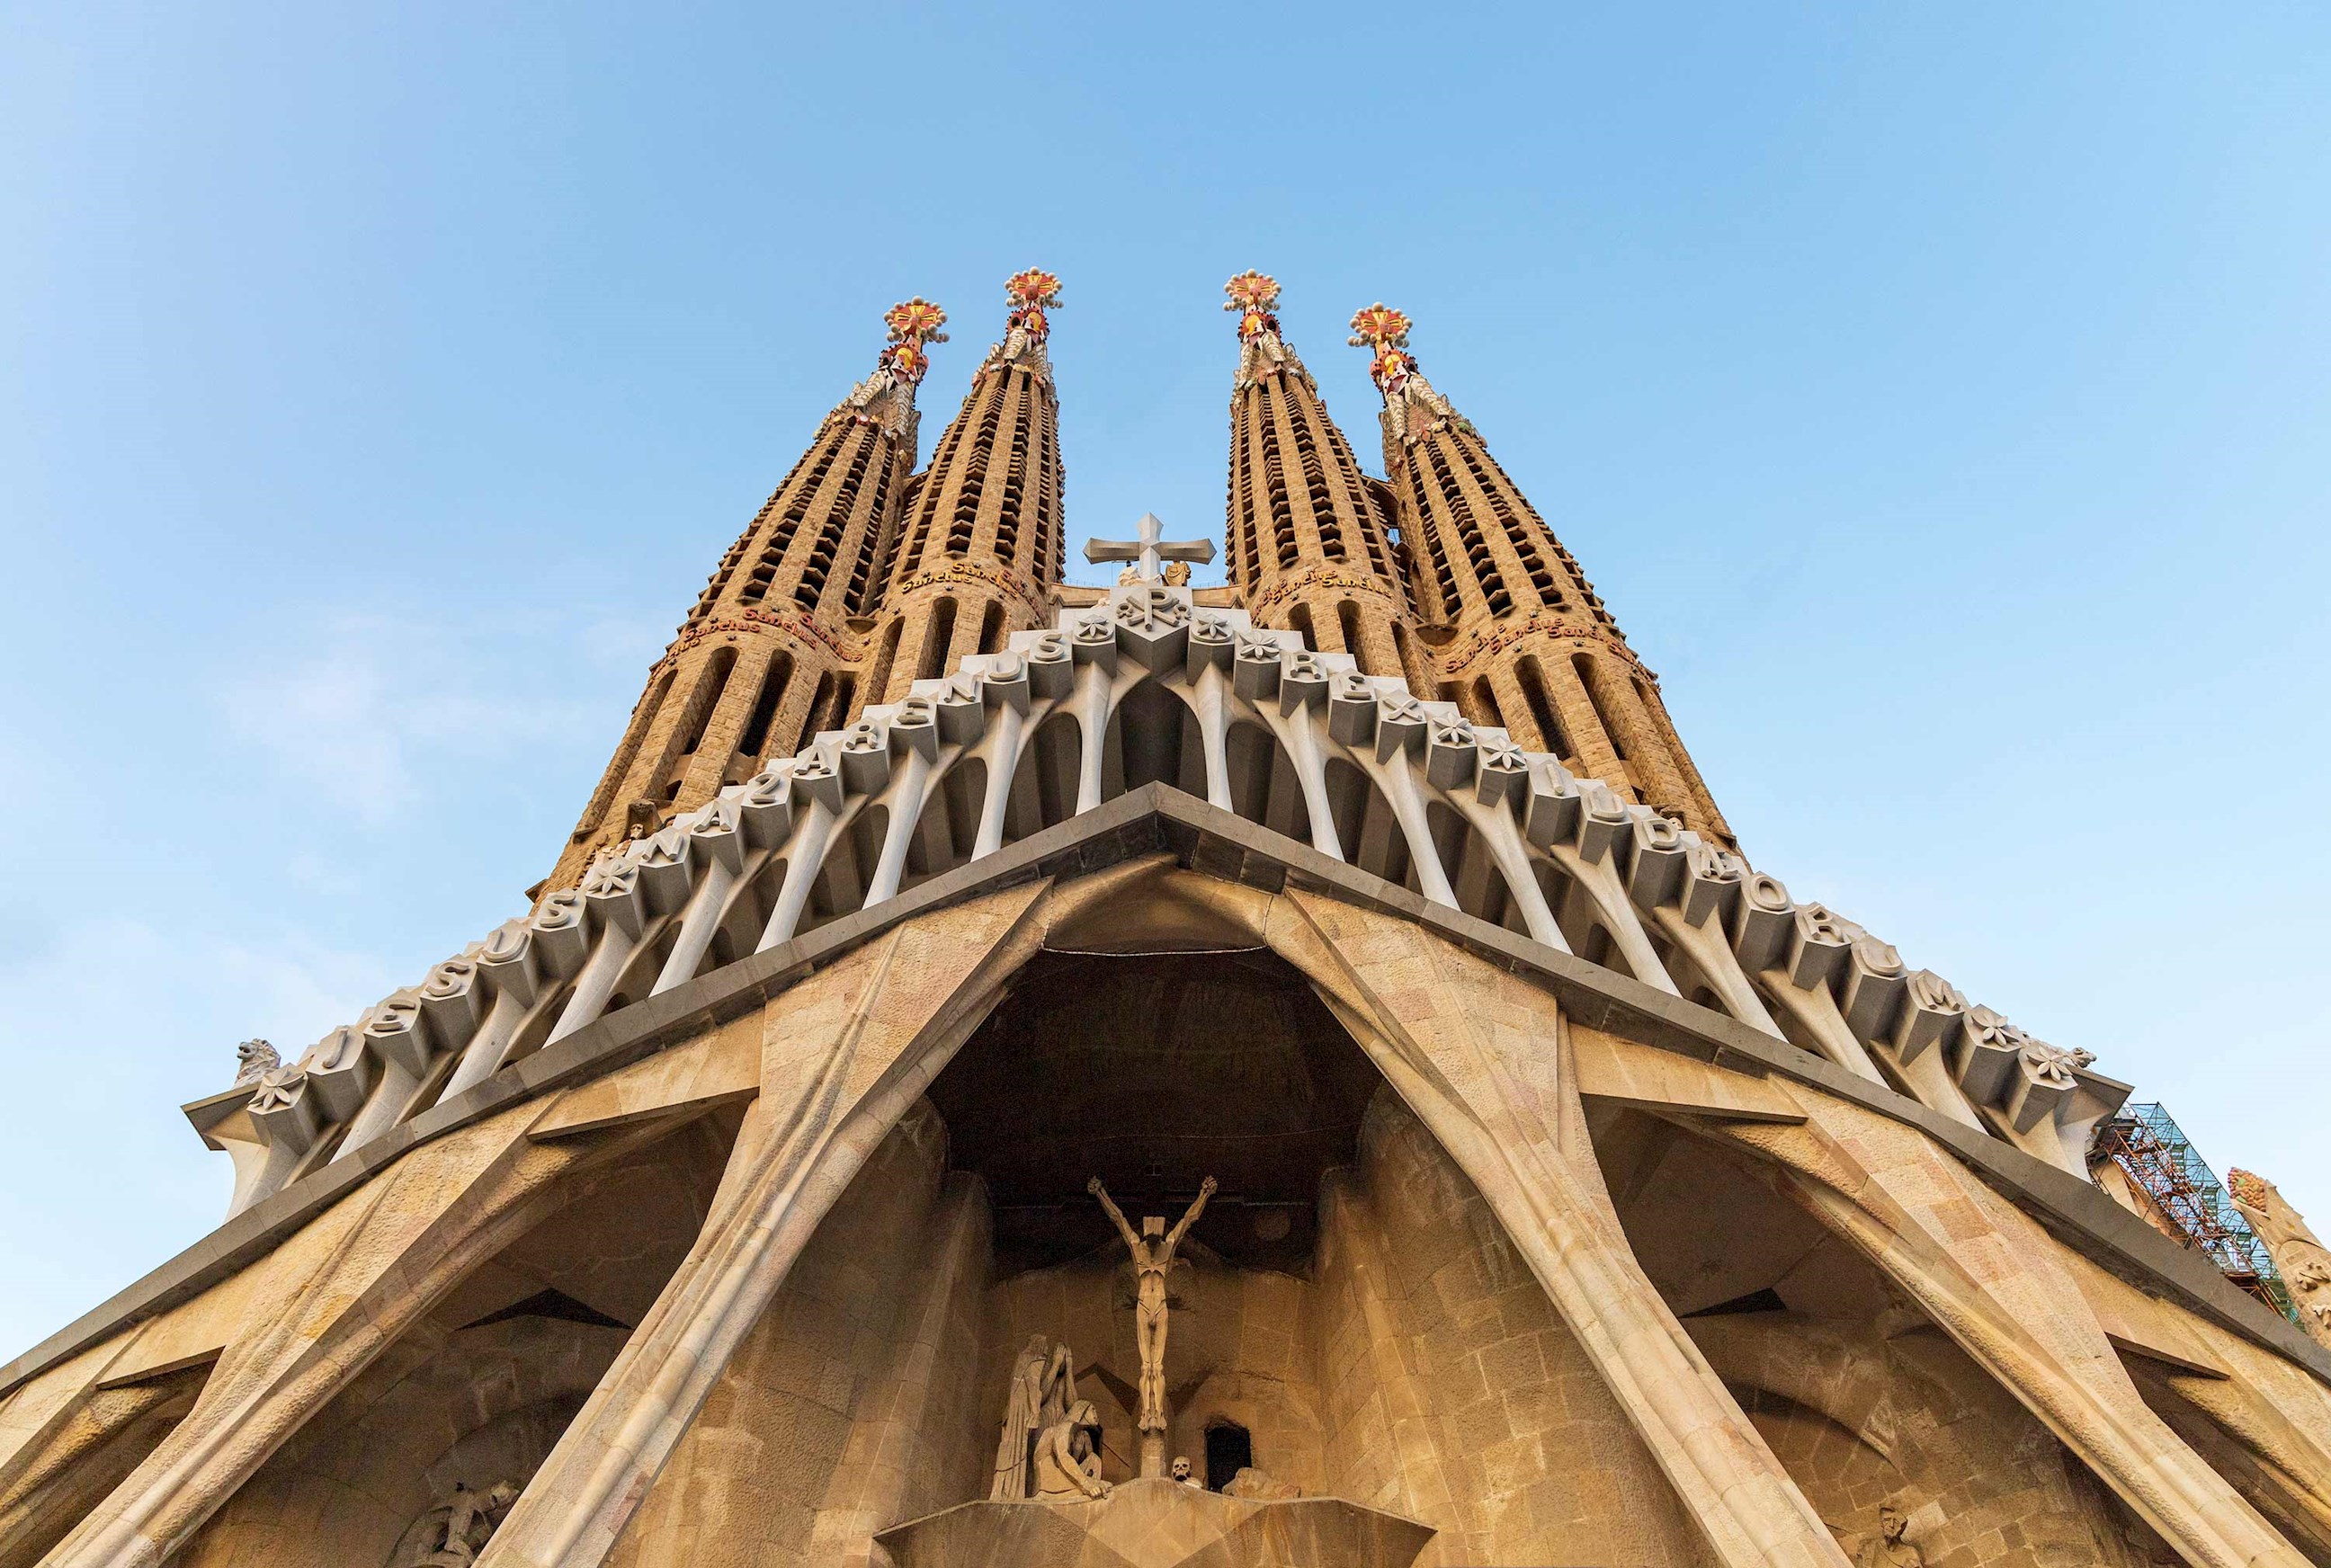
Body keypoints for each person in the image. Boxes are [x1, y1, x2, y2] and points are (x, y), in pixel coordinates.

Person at [1088, 1176, 1217, 1434]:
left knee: (1156, 1366)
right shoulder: (1137, 1247)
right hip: (1144, 1305)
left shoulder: (1168, 1246)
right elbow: (1118, 1219)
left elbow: (1188, 1220)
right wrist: (1100, 1193)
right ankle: (1147, 1413)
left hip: (1159, 1304)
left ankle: (1157, 1413)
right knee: (1146, 1366)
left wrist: (1204, 1194)